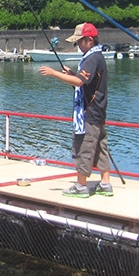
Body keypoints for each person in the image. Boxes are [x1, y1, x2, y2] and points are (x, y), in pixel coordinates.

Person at [39, 23, 112, 197]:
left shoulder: (91, 58)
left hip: (89, 113)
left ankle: (80, 186)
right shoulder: (97, 56)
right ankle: (105, 183)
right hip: (98, 112)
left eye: (79, 42)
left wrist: (54, 74)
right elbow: (85, 82)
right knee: (101, 146)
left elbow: (80, 83)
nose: (78, 46)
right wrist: (71, 75)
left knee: (83, 147)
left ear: (89, 40)